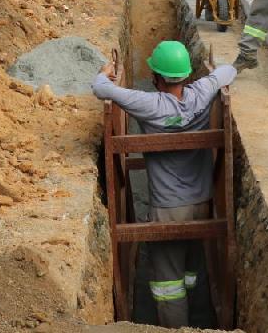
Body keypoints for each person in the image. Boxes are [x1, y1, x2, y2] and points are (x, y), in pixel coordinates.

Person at [91, 40, 237, 328]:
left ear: (156, 78)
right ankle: (200, 319)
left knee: (168, 283)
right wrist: (213, 74)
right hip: (203, 205)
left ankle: (175, 327)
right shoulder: (201, 93)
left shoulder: (151, 104)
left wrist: (104, 71)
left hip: (168, 210)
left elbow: (101, 89)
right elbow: (228, 71)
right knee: (192, 268)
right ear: (186, 75)